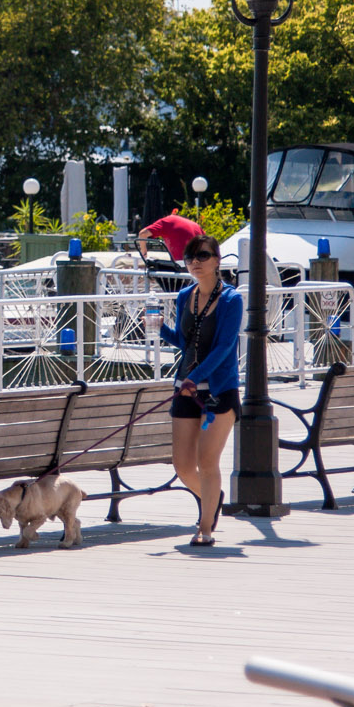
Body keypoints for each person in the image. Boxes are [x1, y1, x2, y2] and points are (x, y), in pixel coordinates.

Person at [161, 233, 243, 547]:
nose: (196, 263)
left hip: (219, 391)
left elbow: (224, 348)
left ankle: (205, 527)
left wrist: (196, 377)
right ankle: (212, 496)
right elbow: (185, 342)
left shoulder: (231, 300)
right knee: (182, 465)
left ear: (217, 260)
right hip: (186, 388)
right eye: (190, 257)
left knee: (207, 463)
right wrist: (158, 329)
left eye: (203, 256)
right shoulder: (185, 296)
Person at [137, 210, 206, 264]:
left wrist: (144, 254)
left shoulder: (166, 222)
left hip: (183, 265)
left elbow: (142, 234)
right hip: (201, 265)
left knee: (153, 268)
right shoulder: (195, 225)